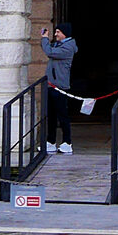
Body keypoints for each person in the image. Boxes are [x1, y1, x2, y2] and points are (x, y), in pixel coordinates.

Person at [41, 22, 79, 154]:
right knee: (50, 115)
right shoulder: (59, 44)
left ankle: (67, 142)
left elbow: (49, 52)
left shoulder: (67, 47)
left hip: (60, 87)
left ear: (65, 34)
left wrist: (45, 38)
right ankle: (50, 141)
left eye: (58, 32)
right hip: (51, 86)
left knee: (63, 116)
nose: (55, 34)